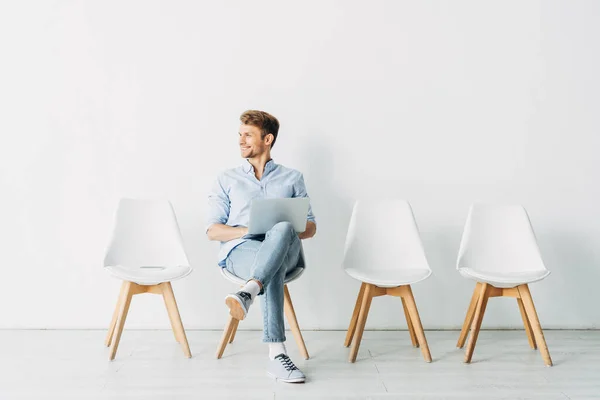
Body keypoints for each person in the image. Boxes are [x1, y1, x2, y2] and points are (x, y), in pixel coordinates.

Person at [206, 110, 316, 383]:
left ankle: (248, 291)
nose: (241, 141)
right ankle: (277, 354)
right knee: (271, 266)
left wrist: (287, 226)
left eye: (248, 135)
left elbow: (311, 226)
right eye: (240, 135)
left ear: (267, 139)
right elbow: (213, 230)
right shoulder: (227, 179)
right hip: (240, 251)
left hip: (286, 248)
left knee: (281, 229)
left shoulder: (292, 178)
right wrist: (249, 230)